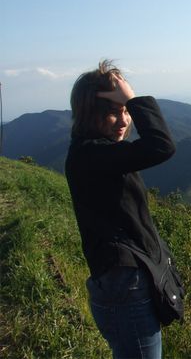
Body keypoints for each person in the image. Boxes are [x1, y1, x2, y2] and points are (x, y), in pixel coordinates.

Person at [65, 60, 177, 359]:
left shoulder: (95, 152)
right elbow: (161, 146)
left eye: (125, 111)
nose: (123, 120)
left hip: (124, 284)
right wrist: (133, 98)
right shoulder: (91, 155)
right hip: (125, 288)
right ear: (89, 115)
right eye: (112, 113)